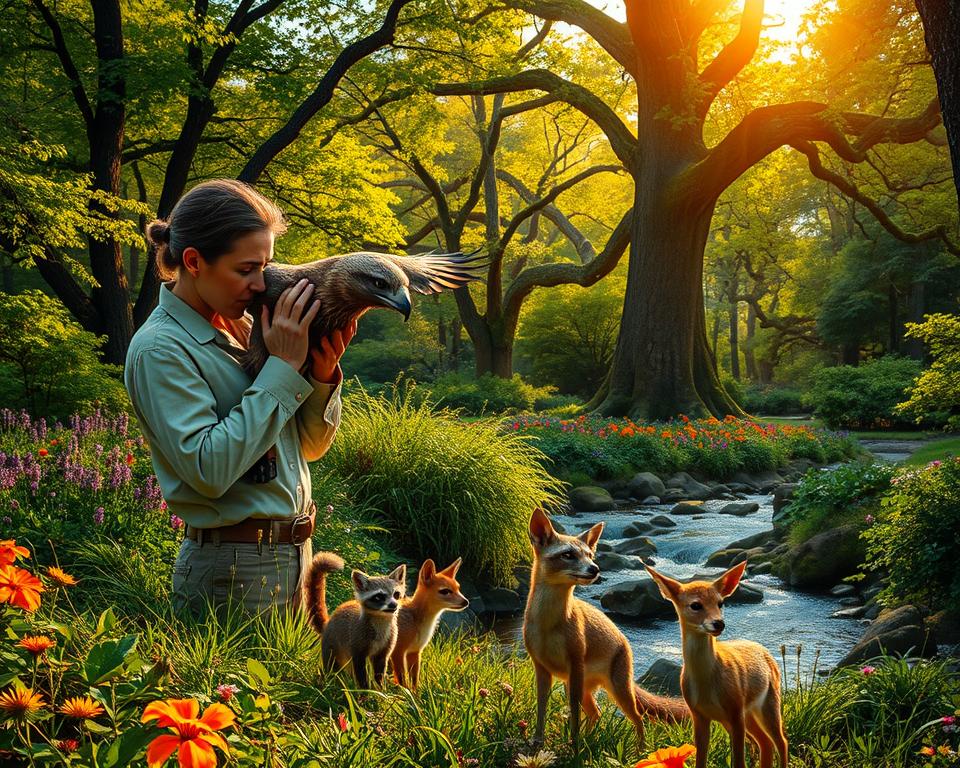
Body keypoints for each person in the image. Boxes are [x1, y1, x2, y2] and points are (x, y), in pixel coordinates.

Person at [124, 179, 356, 617]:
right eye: (245, 268)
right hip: (232, 574)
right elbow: (209, 469)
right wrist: (283, 369)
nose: (260, 282)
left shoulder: (250, 328)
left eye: (265, 266)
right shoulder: (160, 349)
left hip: (296, 562)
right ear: (194, 261)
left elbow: (310, 448)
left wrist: (321, 373)